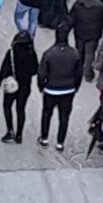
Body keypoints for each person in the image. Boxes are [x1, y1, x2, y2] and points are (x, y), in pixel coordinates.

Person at [37, 23, 82, 151]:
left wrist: (42, 86)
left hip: (51, 89)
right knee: (64, 116)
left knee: (47, 113)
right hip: (68, 90)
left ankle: (44, 138)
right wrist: (76, 86)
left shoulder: (49, 54)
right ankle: (60, 142)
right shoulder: (74, 54)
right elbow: (79, 73)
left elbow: (42, 73)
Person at [0, 30, 38, 144]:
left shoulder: (11, 52)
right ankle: (19, 134)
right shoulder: (31, 53)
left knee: (7, 106)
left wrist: (0, 80)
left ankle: (10, 130)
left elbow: (5, 68)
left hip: (12, 84)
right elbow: (35, 69)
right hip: (25, 85)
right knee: (20, 109)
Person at [69, 0, 103, 81]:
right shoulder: (100, 6)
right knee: (90, 54)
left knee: (79, 51)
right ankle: (88, 73)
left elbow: (71, 18)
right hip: (93, 35)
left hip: (79, 33)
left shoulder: (78, 4)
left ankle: (78, 70)